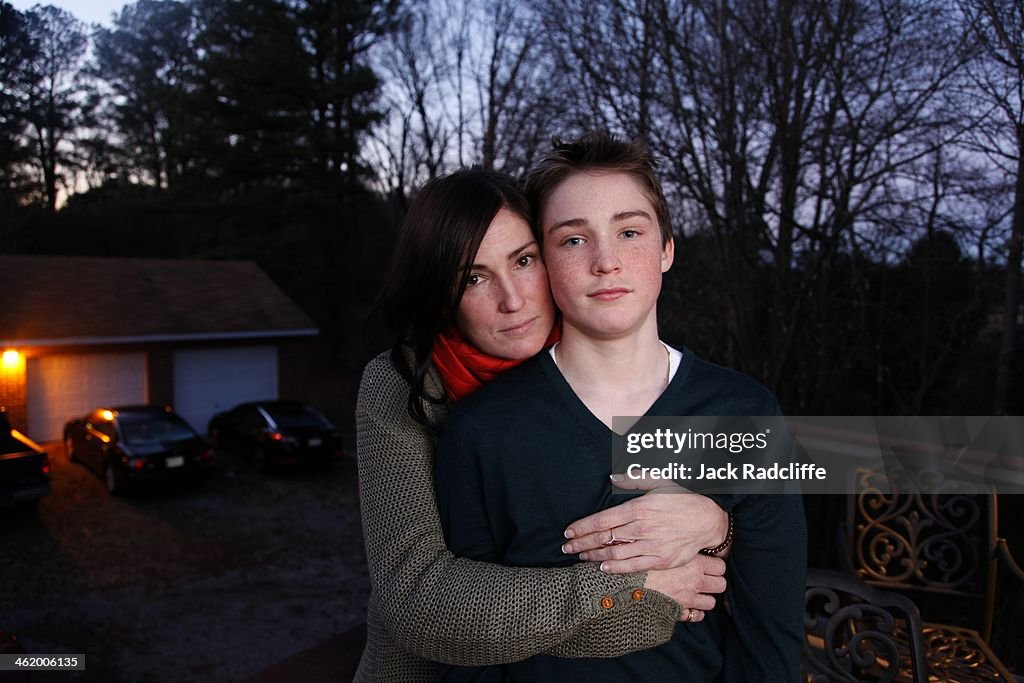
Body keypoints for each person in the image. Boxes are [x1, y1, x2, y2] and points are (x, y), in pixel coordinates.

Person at [435, 134, 807, 681]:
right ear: (541, 261)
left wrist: (724, 526)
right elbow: (466, 642)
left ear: (666, 249)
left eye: (629, 232)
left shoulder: (744, 412)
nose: (605, 262)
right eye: (572, 240)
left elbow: (771, 634)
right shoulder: (481, 428)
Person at [355, 168, 734, 681]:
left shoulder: (611, 353)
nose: (512, 301)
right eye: (474, 277)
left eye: (524, 261)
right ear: (440, 292)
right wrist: (638, 593)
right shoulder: (401, 385)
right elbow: (418, 601)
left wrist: (718, 526)